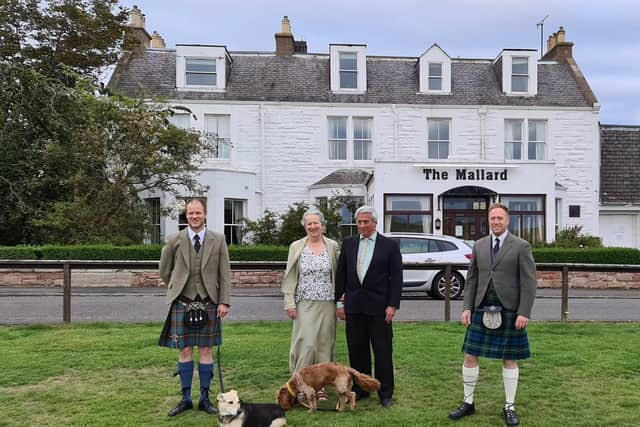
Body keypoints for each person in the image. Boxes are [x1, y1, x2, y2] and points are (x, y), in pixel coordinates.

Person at [449, 202, 537, 426]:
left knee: (510, 359)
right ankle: (468, 403)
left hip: (509, 310)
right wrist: (467, 307)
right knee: (470, 356)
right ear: (488, 221)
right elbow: (472, 279)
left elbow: (529, 283)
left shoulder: (521, 246)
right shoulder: (478, 245)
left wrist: (524, 312)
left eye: (500, 218)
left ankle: (509, 406)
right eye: (492, 218)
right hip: (480, 308)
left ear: (507, 221)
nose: (496, 222)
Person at [158, 198, 231, 417]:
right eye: (190, 213)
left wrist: (223, 301)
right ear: (186, 215)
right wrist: (177, 285)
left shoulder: (218, 239)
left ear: (205, 214)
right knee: (185, 349)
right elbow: (164, 270)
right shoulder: (174, 240)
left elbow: (224, 274)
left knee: (206, 350)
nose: (194, 216)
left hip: (209, 301)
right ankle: (186, 398)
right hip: (183, 301)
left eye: (198, 213)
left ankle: (205, 398)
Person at [335, 205, 403, 408]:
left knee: (382, 351)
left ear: (375, 223)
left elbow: (396, 278)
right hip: (354, 307)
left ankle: (385, 393)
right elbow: (341, 275)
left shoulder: (389, 245)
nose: (362, 225)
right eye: (359, 222)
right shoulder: (348, 244)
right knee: (357, 351)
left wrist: (392, 305)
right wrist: (339, 302)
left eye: (366, 221)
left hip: (380, 308)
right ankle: (361, 390)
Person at [282, 210, 340, 378]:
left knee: (324, 343)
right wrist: (289, 303)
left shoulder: (332, 246)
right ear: (305, 226)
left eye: (316, 223)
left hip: (328, 302)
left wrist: (341, 301)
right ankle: (300, 380)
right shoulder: (296, 246)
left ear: (322, 225)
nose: (313, 226)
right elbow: (290, 276)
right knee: (306, 343)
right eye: (309, 224)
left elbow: (337, 274)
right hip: (304, 302)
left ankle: (321, 382)